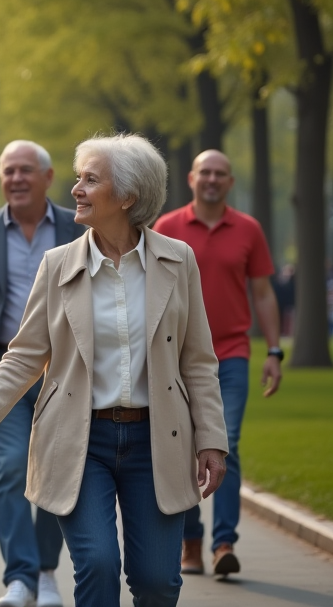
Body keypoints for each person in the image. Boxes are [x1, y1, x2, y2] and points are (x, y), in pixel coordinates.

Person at [0, 133, 228, 607]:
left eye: (90, 179)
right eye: (77, 177)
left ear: (127, 196)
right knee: (98, 565)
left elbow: (198, 360)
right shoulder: (58, 264)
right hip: (80, 441)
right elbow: (25, 355)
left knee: (156, 582)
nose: (76, 190)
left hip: (157, 441)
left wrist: (211, 438)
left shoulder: (177, 261)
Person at [0, 140, 80, 607]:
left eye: (26, 170)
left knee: (51, 472)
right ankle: (20, 579)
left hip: (64, 375)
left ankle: (47, 571)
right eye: (9, 171)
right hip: (0, 373)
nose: (17, 179)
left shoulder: (78, 227)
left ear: (48, 178)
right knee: (9, 470)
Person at [154, 149, 282, 578]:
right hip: (175, 356)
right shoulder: (167, 227)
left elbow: (263, 293)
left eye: (220, 174)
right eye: (205, 172)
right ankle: (190, 539)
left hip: (230, 354)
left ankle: (223, 541)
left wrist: (275, 351)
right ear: (191, 178)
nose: (212, 179)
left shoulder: (248, 230)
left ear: (229, 182)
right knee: (184, 444)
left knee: (227, 442)